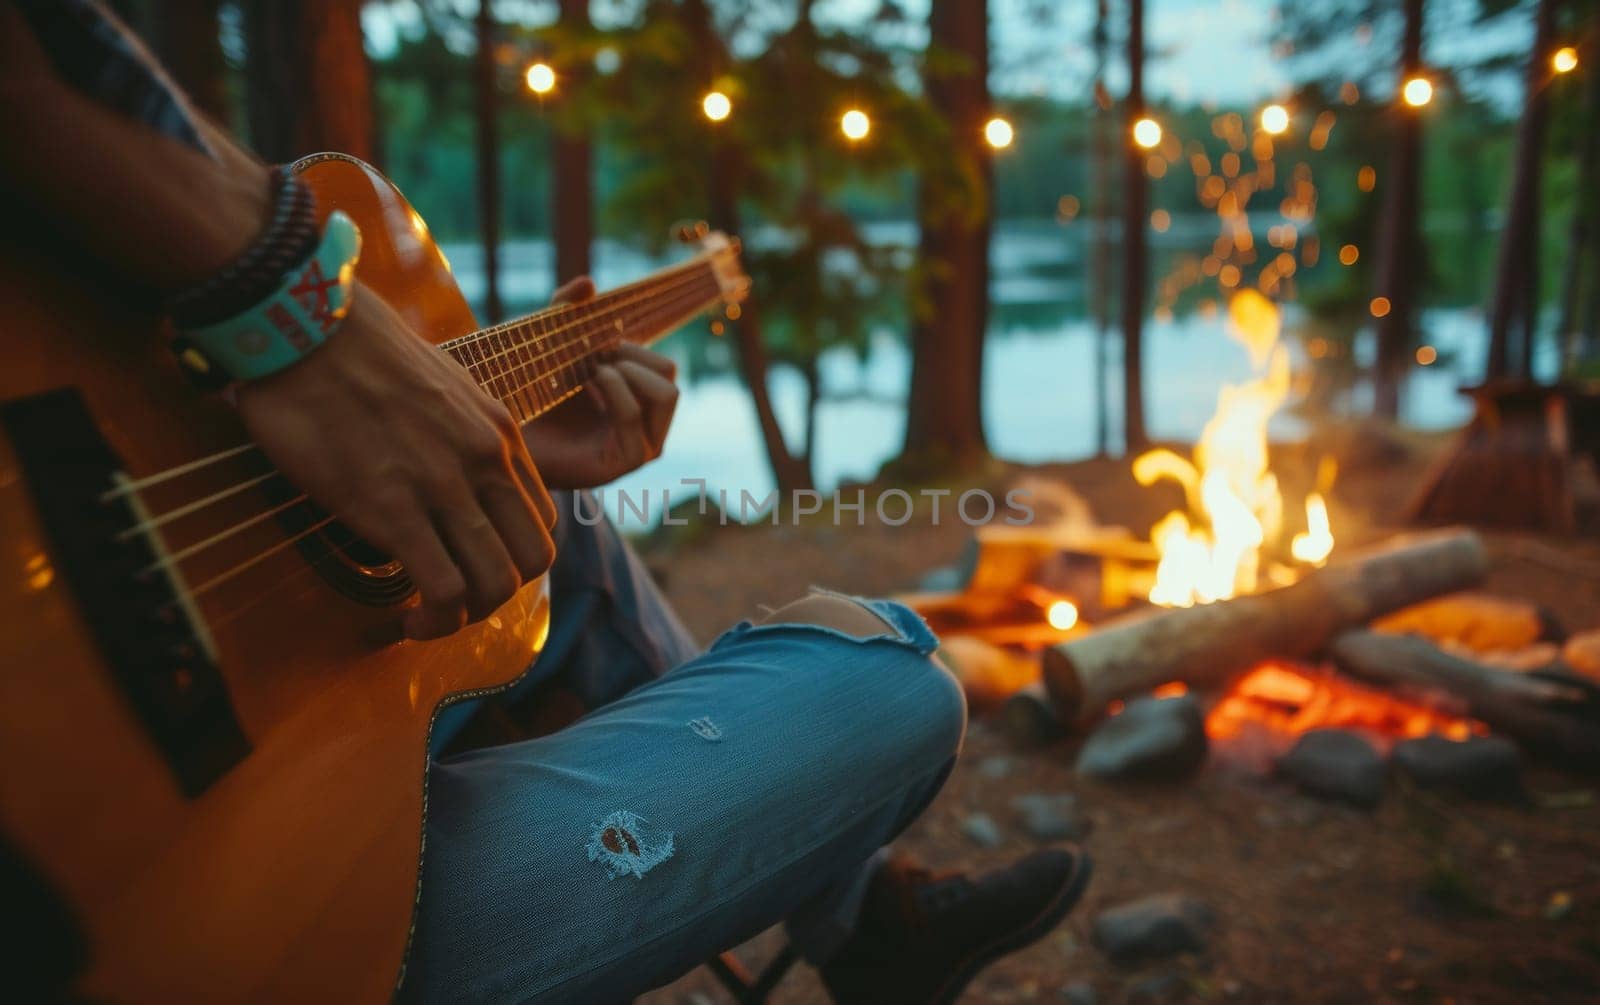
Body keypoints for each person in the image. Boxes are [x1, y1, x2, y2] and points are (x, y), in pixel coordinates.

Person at [0, 3, 1091, 1001]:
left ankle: (869, 926)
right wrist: (293, 311)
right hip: (211, 940)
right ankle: (867, 923)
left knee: (533, 505)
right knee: (895, 681)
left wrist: (502, 436)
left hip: (192, 791)